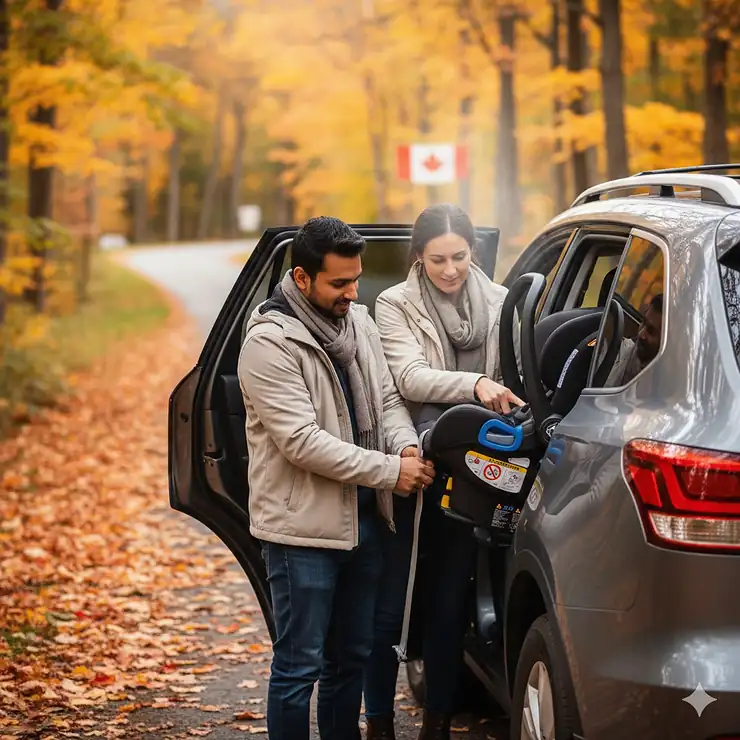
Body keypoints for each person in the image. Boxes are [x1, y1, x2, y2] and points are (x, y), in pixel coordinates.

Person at [238, 216, 436, 740]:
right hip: (302, 531)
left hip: (364, 522)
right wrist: (392, 472)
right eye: (339, 283)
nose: (352, 292)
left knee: (350, 658)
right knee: (299, 666)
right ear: (302, 279)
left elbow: (387, 400)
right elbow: (301, 441)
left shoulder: (360, 323)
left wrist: (406, 444)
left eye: (356, 279)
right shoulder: (269, 342)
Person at [364, 204, 524, 740]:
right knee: (397, 598)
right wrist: (475, 385)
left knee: (452, 593)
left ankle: (438, 722)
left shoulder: (502, 303)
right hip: (417, 461)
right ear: (418, 256)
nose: (450, 269)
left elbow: (515, 382)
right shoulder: (395, 303)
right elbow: (407, 379)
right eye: (438, 259)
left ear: (473, 252)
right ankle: (379, 721)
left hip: (477, 470)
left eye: (459, 257)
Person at [606, 293, 663, 386]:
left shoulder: (665, 388)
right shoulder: (619, 353)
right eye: (643, 322)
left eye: (651, 331)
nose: (641, 334)